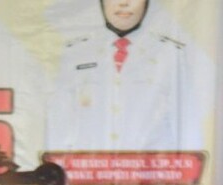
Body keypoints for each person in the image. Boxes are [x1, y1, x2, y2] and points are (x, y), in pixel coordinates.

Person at [45, 0, 208, 151]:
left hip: (150, 168)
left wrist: (188, 169)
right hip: (90, 166)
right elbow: (59, 120)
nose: (124, 3)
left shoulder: (169, 54)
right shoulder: (77, 53)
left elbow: (186, 125)